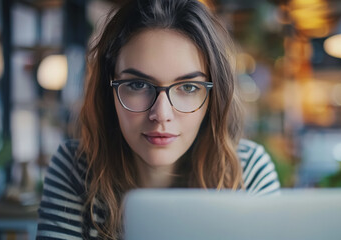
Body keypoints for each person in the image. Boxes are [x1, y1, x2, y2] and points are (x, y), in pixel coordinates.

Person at [36, 0, 280, 239]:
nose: (161, 115)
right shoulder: (76, 170)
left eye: (188, 87)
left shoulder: (247, 172)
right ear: (108, 91)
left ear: (214, 97)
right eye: (138, 84)